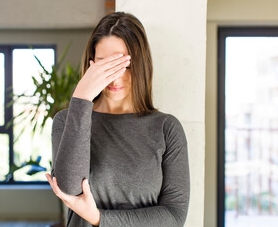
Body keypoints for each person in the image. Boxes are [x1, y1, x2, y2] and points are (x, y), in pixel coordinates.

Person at [45, 11, 190, 227]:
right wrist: (82, 97)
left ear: (140, 65)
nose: (115, 76)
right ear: (92, 65)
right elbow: (69, 188)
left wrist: (99, 218)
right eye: (105, 65)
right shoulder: (67, 120)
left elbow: (174, 217)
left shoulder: (166, 128)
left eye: (125, 65)